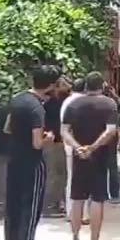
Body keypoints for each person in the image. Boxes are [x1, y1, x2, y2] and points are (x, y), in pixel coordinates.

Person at [4, 65, 61, 240]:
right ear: (51, 86)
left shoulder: (17, 100)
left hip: (14, 159)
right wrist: (49, 138)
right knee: (30, 210)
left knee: (13, 208)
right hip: (32, 163)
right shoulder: (37, 108)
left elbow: (7, 128)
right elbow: (37, 143)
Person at [61, 72, 120, 240]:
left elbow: (64, 131)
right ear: (102, 86)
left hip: (79, 157)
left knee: (77, 199)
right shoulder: (109, 104)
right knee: (97, 199)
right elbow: (110, 131)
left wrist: (78, 147)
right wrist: (93, 147)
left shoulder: (73, 104)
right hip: (100, 157)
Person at [43, 78, 71, 218]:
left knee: (59, 175)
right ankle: (51, 206)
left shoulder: (57, 103)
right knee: (54, 175)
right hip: (54, 142)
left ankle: (58, 203)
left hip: (59, 142)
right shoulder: (52, 104)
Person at [61, 79, 85, 222]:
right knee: (79, 180)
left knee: (71, 178)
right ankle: (78, 213)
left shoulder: (67, 102)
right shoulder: (80, 102)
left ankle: (72, 212)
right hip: (80, 145)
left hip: (69, 145)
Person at [103, 83, 120, 204]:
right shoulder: (113, 103)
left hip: (98, 135)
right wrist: (115, 95)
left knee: (100, 165)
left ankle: (102, 192)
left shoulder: (98, 102)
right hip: (112, 136)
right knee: (112, 165)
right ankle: (114, 193)